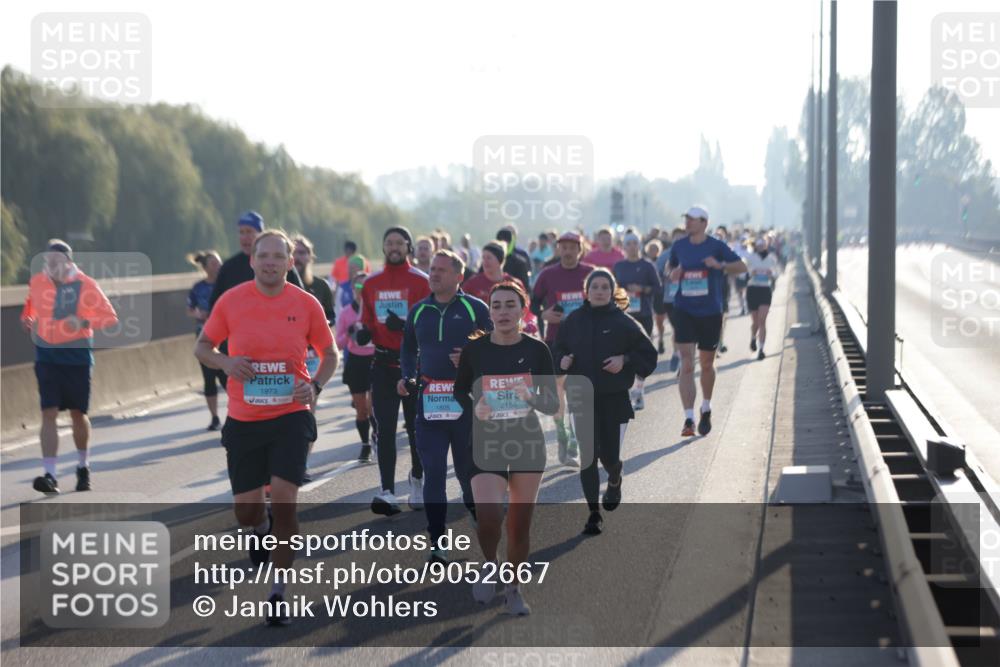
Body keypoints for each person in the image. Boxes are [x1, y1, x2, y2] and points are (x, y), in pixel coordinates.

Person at [196, 229, 338, 626]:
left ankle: (278, 592)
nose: (272, 262)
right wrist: (225, 363)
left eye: (280, 256)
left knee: (285, 500)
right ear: (253, 261)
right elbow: (202, 347)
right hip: (244, 420)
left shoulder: (306, 304)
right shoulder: (232, 301)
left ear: (291, 263)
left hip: (291, 416)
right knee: (246, 511)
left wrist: (315, 385)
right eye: (265, 256)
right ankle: (258, 528)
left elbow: (330, 354)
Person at [453, 280, 559, 615]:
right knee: (488, 518)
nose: (502, 311)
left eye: (509, 305)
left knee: (519, 524)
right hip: (486, 441)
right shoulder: (476, 350)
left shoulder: (537, 350)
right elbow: (460, 391)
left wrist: (531, 396)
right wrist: (476, 404)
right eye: (496, 305)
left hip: (526, 442)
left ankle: (513, 587)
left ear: (523, 309)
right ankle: (489, 562)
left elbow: (553, 404)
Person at [401, 250, 491, 563]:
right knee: (434, 472)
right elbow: (408, 351)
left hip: (466, 405)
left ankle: (477, 515)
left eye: (441, 270)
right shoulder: (418, 311)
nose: (433, 274)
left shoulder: (475, 308)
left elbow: (496, 346)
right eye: (432, 269)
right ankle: (437, 540)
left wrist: (472, 359)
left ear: (458, 276)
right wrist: (407, 378)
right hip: (429, 404)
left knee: (468, 474)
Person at [553, 269, 657, 535]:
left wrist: (626, 360)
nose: (599, 291)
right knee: (588, 458)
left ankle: (615, 475)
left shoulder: (624, 322)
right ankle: (593, 513)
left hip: (614, 399)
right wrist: (561, 359)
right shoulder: (573, 321)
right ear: (586, 291)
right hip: (582, 397)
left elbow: (648, 354)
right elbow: (556, 349)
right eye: (594, 286)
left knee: (609, 457)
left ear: (612, 291)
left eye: (604, 287)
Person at [21, 240, 119, 495]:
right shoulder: (38, 282)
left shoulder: (86, 284)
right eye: (47, 261)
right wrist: (28, 319)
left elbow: (110, 317)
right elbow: (29, 306)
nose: (50, 266)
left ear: (68, 263)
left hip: (76, 358)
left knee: (77, 413)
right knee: (48, 412)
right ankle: (50, 475)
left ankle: (82, 467)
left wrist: (83, 320)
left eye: (55, 262)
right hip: (46, 357)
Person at [356, 226, 431, 515]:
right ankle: (387, 491)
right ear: (383, 247)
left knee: (415, 429)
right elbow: (367, 321)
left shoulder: (421, 281)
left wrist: (408, 328)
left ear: (408, 247)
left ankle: (417, 479)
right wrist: (364, 333)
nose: (394, 247)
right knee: (385, 429)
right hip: (383, 364)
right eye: (389, 242)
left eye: (400, 242)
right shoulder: (372, 283)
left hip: (414, 364)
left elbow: (431, 323)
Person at [668, 207, 747, 437]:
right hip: (684, 309)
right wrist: (674, 272)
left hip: (710, 312)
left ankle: (706, 407)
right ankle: (689, 418)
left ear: (704, 222)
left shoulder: (716, 246)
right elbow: (670, 267)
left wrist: (720, 265)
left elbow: (742, 267)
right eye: (686, 219)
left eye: (691, 219)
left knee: (706, 363)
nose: (687, 223)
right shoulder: (679, 246)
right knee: (687, 363)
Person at [530, 231, 594, 465]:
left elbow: (604, 302)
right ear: (558, 249)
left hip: (584, 342)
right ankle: (563, 436)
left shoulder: (590, 273)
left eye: (572, 247)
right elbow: (532, 304)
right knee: (558, 394)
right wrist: (543, 314)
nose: (567, 251)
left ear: (580, 249)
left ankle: (574, 441)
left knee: (578, 395)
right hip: (555, 341)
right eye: (563, 247)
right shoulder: (547, 275)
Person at [292, 235, 336, 483]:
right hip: (286, 359)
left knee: (307, 410)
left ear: (310, 257)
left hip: (312, 356)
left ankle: (302, 465)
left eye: (303, 253)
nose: (299, 258)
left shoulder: (320, 286)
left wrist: (320, 325)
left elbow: (332, 317)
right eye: (295, 253)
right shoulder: (280, 285)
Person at [210, 211, 303, 310]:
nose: (245, 237)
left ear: (260, 234)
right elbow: (215, 304)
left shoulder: (281, 264)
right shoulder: (228, 267)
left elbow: (300, 299)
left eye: (249, 231)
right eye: (241, 232)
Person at [613, 233, 661, 410]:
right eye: (628, 244)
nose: (632, 246)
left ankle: (639, 392)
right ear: (623, 247)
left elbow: (658, 288)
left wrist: (642, 288)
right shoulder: (618, 266)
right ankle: (627, 391)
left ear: (639, 246)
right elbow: (612, 288)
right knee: (625, 355)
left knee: (641, 354)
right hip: (624, 316)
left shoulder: (647, 266)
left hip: (644, 314)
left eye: (635, 243)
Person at [335, 273, 375, 462]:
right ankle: (365, 444)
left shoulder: (376, 310)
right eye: (358, 288)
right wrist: (349, 334)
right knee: (361, 409)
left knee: (372, 406)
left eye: (365, 287)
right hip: (356, 363)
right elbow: (339, 344)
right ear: (352, 290)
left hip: (376, 361)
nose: (361, 291)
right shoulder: (345, 313)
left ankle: (377, 436)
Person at [186, 250, 226, 430]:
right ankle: (215, 417)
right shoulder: (198, 288)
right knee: (209, 378)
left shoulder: (226, 284)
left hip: (226, 336)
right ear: (205, 268)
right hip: (204, 336)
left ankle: (236, 414)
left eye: (219, 263)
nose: (218, 266)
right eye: (213, 264)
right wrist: (197, 313)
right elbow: (189, 309)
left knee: (227, 377)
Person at [462, 242, 538, 336]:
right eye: (483, 258)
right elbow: (461, 305)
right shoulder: (473, 282)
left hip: (509, 335)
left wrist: (530, 323)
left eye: (489, 258)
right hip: (480, 335)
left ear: (500, 260)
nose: (485, 261)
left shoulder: (515, 283)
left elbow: (526, 309)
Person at [746, 237, 780, 361]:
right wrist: (752, 272)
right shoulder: (751, 257)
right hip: (753, 289)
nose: (761, 247)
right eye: (759, 244)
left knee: (762, 321)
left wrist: (772, 274)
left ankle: (761, 349)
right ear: (756, 246)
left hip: (765, 290)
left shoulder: (771, 258)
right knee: (755, 322)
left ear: (766, 245)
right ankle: (753, 338)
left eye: (763, 244)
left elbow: (777, 272)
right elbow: (746, 272)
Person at [335, 254, 367, 321]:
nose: (350, 270)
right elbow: (337, 309)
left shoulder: (368, 285)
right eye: (349, 267)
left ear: (361, 269)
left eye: (353, 267)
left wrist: (358, 285)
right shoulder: (342, 287)